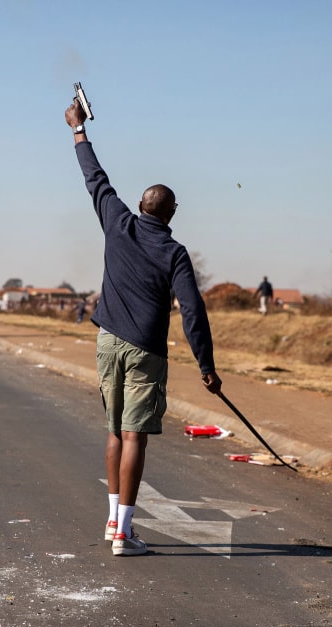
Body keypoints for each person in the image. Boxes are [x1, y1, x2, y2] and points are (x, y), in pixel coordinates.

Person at [65, 97, 222, 557]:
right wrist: (206, 367)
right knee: (135, 436)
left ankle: (114, 519)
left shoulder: (118, 223)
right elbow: (192, 312)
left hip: (107, 342)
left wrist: (78, 129)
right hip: (145, 352)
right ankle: (124, 533)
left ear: (140, 206)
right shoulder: (175, 254)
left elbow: (95, 177)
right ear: (171, 214)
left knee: (115, 431)